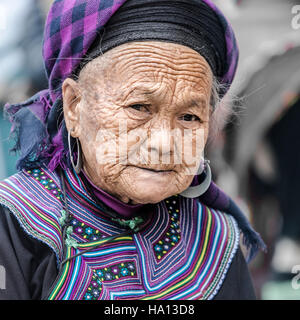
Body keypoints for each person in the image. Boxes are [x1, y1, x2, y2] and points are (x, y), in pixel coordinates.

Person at [0, 0, 265, 300]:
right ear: (74, 106)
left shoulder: (217, 237)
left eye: (189, 117)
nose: (164, 143)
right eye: (139, 107)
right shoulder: (14, 223)